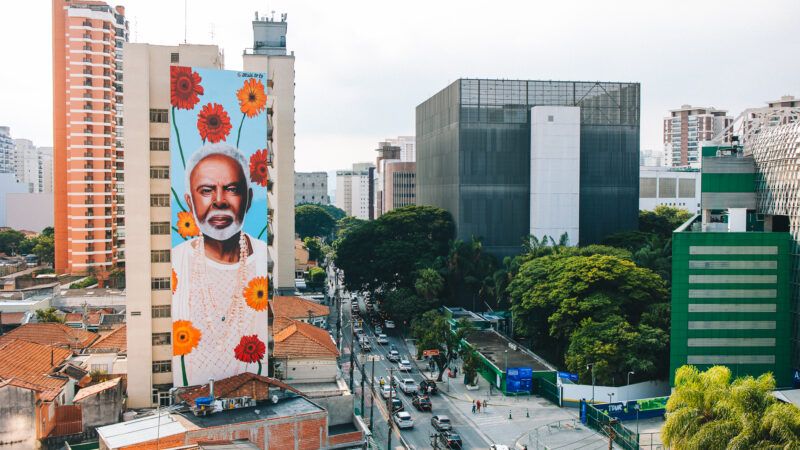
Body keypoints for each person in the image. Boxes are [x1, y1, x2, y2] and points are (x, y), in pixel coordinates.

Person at [172, 143, 269, 387]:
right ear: (189, 202)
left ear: (247, 200)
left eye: (231, 190)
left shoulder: (263, 256)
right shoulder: (177, 261)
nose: (219, 201)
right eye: (206, 190)